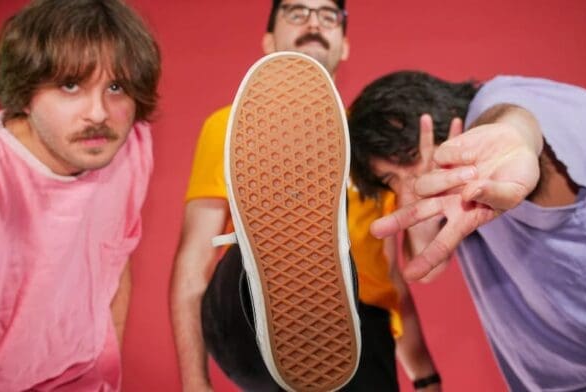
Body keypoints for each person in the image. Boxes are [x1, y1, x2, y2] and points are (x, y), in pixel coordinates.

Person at [169, 1, 440, 391]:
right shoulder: (228, 127)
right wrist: (194, 383)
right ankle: (279, 275)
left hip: (364, 332)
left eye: (328, 15)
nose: (313, 22)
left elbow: (392, 272)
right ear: (268, 39)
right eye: (297, 12)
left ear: (344, 44)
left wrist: (425, 374)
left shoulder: (372, 143)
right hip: (255, 316)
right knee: (246, 263)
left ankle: (320, 288)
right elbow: (194, 260)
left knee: (356, 292)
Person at [348, 70, 586, 391]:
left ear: (441, 117)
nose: (409, 181)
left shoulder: (495, 107)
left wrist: (514, 136)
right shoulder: (459, 193)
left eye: (408, 157)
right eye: (391, 179)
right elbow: (426, 265)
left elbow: (514, 122)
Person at [0, 0, 160, 390]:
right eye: (70, 85)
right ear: (25, 93)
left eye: (116, 87)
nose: (98, 113)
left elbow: (113, 257)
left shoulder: (127, 145)